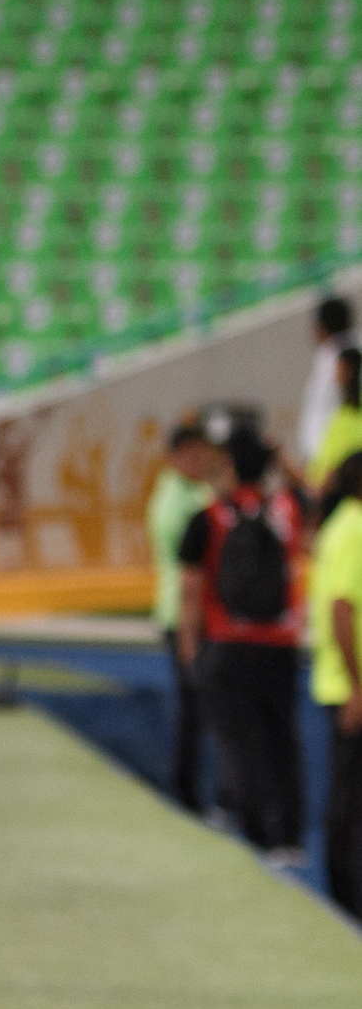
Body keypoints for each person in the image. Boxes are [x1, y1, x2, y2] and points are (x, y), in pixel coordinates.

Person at [178, 426, 306, 865]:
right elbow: (312, 492)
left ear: (229, 467)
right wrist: (280, 457)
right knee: (283, 740)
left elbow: (191, 588)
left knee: (242, 743)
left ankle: (256, 836)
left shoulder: (211, 516)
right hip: (281, 643)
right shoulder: (287, 509)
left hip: (229, 642)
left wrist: (188, 642)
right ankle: (290, 837)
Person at [146, 423, 216, 811]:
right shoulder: (173, 497)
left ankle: (195, 791)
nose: (203, 459)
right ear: (178, 455)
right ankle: (185, 795)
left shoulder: (196, 492)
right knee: (192, 708)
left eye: (205, 451)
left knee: (201, 708)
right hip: (182, 614)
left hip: (199, 612)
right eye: (195, 452)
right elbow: (190, 555)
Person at [307, 449, 362, 918]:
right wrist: (357, 687)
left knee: (348, 793)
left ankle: (344, 895)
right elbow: (342, 607)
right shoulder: (355, 528)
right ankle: (346, 900)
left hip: (341, 682)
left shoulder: (340, 525)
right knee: (350, 797)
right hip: (351, 688)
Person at [297, 295, 354, 465]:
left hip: (333, 457)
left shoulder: (331, 359)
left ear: (321, 328)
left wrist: (312, 455)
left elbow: (318, 412)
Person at [307, 347, 362, 491]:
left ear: (349, 370)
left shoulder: (351, 414)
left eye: (339, 367)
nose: (335, 374)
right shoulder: (339, 413)